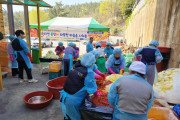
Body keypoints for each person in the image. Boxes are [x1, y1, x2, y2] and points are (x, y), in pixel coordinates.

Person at [60, 53, 97, 120]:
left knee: (68, 115)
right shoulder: (88, 72)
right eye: (92, 62)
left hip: (65, 95)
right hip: (73, 99)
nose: (93, 64)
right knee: (75, 117)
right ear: (90, 63)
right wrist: (97, 93)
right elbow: (91, 89)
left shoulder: (77, 65)